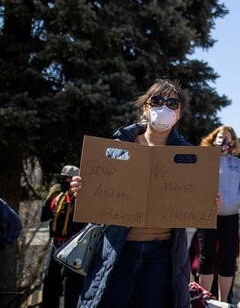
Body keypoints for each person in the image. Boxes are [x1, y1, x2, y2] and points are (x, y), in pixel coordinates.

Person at [71, 79, 208, 308]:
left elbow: (193, 200)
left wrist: (208, 202)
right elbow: (100, 190)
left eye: (172, 103)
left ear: (179, 113)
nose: (163, 107)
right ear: (145, 107)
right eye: (157, 101)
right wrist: (83, 189)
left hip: (162, 254)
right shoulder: (119, 146)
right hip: (118, 248)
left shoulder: (187, 155)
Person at [198, 125, 240, 301]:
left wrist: (236, 201)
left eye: (226, 137)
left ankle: (224, 300)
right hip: (208, 215)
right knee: (206, 256)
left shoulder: (239, 164)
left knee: (228, 258)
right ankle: (203, 299)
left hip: (230, 216)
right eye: (219, 136)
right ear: (213, 139)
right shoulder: (205, 161)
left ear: (232, 141)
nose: (223, 140)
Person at [40, 165, 84, 308]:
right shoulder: (58, 196)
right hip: (56, 244)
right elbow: (45, 216)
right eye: (64, 178)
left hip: (73, 245)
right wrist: (50, 198)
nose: (66, 181)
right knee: (50, 281)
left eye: (69, 178)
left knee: (71, 285)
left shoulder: (81, 197)